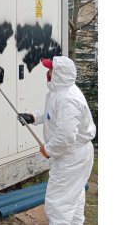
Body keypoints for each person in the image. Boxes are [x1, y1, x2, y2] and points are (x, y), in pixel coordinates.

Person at [17, 56, 96, 224]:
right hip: (72, 154)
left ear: (60, 73)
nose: (48, 72)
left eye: (51, 69)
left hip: (72, 156)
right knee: (73, 197)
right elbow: (50, 113)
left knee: (58, 203)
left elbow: (66, 136)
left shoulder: (69, 99)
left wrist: (49, 149)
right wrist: (32, 117)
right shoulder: (58, 93)